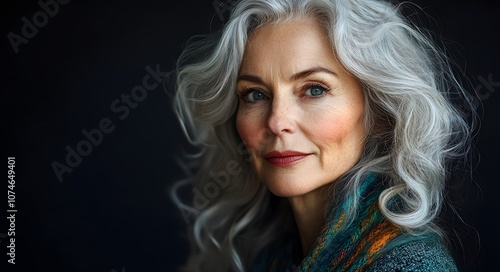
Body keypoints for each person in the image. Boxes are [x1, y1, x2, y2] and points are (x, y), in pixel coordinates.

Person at [169, 0, 478, 271]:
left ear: (381, 113)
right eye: (254, 95)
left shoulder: (407, 266)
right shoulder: (271, 258)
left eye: (314, 89)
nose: (277, 122)